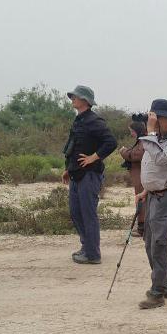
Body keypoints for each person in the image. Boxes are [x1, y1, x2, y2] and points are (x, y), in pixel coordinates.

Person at [134, 100, 167, 310]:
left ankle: (157, 293)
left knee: (159, 242)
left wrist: (149, 132)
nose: (153, 122)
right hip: (153, 195)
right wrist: (145, 189)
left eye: (156, 118)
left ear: (165, 119)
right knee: (149, 241)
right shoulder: (157, 137)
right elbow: (152, 168)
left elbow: (160, 159)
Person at [61, 85, 117, 264]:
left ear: (85, 100)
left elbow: (111, 142)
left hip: (89, 175)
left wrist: (94, 157)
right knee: (76, 213)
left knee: (88, 213)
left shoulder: (94, 120)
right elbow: (73, 147)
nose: (72, 99)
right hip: (77, 174)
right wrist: (68, 169)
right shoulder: (79, 120)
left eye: (75, 97)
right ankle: (87, 247)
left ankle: (93, 254)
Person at [119, 121, 148, 237]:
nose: (131, 134)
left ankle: (142, 228)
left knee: (142, 201)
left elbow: (138, 154)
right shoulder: (142, 140)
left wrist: (124, 152)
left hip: (142, 176)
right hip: (141, 176)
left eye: (132, 131)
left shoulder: (144, 141)